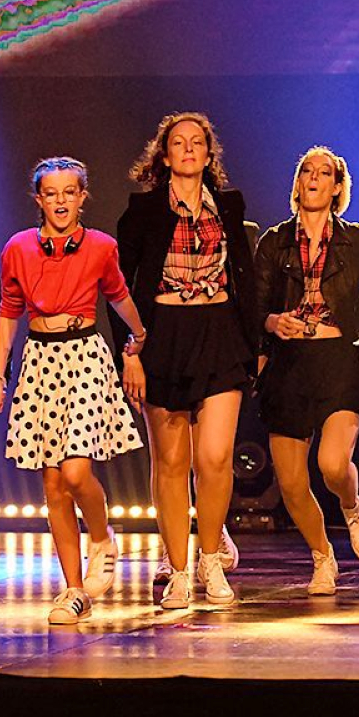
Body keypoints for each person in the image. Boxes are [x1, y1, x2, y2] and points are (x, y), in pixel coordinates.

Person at [0, 157, 147, 624]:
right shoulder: (18, 247)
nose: (60, 201)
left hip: (84, 357)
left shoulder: (100, 246)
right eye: (51, 193)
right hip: (40, 360)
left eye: (69, 192)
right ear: (38, 199)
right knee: (53, 484)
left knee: (76, 472)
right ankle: (74, 590)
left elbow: (118, 295)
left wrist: (139, 335)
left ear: (82, 197)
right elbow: (8, 313)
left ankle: (101, 537)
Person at [116, 112, 261, 610]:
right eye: (178, 142)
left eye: (197, 141)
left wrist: (256, 345)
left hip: (219, 332)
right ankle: (178, 571)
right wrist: (130, 352)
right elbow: (120, 288)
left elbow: (246, 279)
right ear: (164, 154)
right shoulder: (143, 210)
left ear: (208, 153)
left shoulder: (229, 205)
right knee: (172, 462)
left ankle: (210, 558)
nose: (188, 149)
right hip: (163, 336)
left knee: (216, 457)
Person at [251, 146, 359, 595]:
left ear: (336, 187)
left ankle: (350, 503)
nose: (312, 178)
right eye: (305, 171)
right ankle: (322, 556)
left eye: (323, 172)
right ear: (297, 184)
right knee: (291, 482)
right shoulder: (274, 241)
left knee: (332, 464)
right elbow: (255, 306)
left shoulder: (356, 239)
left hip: (340, 359)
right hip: (289, 363)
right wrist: (273, 322)